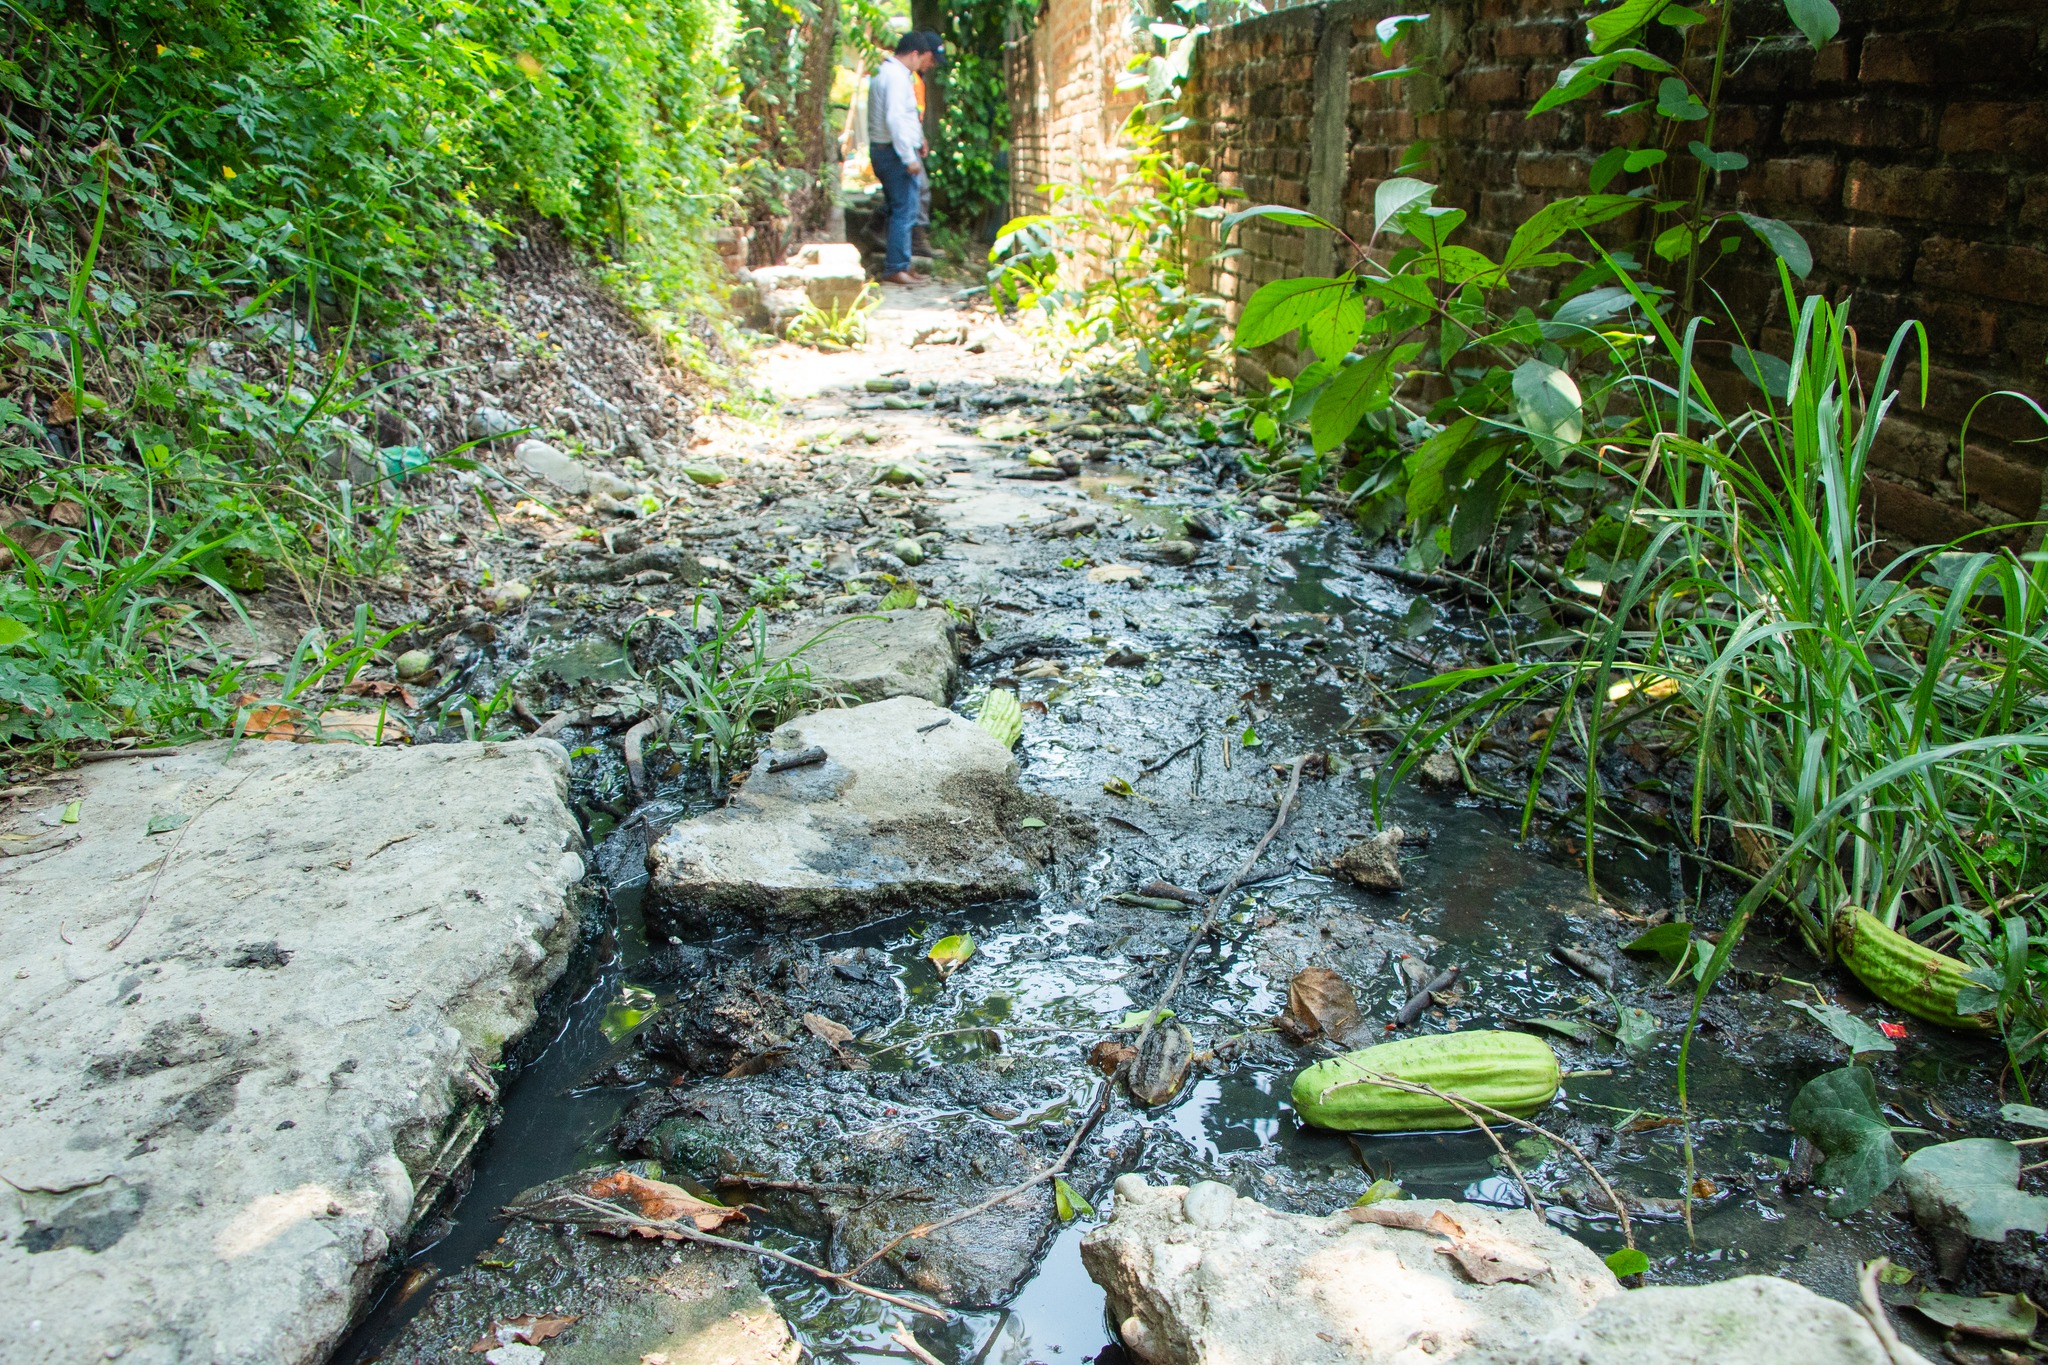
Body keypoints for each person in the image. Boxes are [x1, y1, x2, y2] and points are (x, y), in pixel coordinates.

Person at [868, 31, 938, 285]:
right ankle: (896, 268)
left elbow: (906, 117)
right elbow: (895, 119)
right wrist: (909, 157)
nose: (923, 66)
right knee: (905, 211)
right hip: (893, 153)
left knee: (903, 208)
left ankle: (903, 265)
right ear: (915, 54)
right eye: (924, 59)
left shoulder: (886, 73)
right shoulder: (897, 78)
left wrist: (918, 140)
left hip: (887, 150)